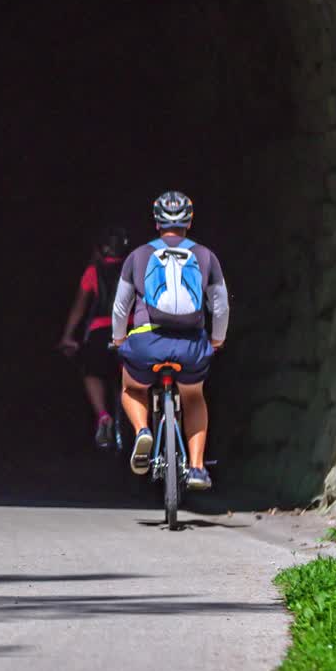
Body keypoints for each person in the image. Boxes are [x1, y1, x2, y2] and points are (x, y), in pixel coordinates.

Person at [111, 191, 229, 490]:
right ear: (189, 221)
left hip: (146, 343)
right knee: (193, 397)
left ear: (156, 222)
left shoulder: (137, 256)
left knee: (130, 388)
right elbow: (221, 306)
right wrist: (217, 340)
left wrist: (118, 339)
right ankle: (198, 468)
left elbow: (120, 306)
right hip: (190, 345)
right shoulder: (206, 256)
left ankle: (141, 432)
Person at [58, 227, 131, 448]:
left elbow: (79, 307)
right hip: (131, 331)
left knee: (91, 371)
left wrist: (68, 337)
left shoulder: (93, 271)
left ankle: (103, 416)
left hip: (101, 332)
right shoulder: (134, 269)